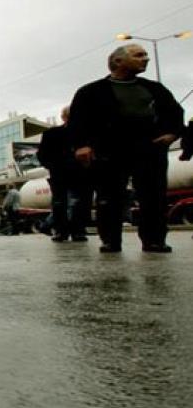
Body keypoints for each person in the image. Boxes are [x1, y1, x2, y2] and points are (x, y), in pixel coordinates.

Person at [68, 44, 184, 253]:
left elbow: (175, 112)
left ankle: (154, 240)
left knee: (154, 196)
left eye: (146, 55)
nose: (145, 59)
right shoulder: (90, 92)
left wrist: (172, 133)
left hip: (149, 148)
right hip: (109, 150)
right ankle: (110, 240)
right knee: (109, 197)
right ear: (118, 61)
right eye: (138, 55)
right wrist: (81, 146)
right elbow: (78, 121)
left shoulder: (154, 89)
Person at [37, 106, 89, 242]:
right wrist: (52, 166)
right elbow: (42, 155)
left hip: (78, 173)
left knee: (77, 203)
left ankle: (75, 231)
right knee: (62, 203)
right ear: (64, 117)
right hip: (61, 173)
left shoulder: (85, 133)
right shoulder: (52, 134)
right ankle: (64, 231)